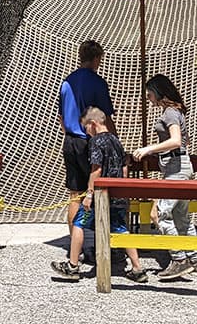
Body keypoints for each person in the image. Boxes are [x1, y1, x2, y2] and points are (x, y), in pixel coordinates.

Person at [51, 107, 147, 283]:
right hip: (118, 194)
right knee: (121, 228)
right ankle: (137, 268)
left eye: (86, 128)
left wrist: (89, 193)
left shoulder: (96, 142)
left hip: (101, 195)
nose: (86, 132)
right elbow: (125, 165)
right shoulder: (116, 141)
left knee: (79, 222)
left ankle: (72, 266)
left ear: (93, 124)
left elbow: (97, 169)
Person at [132, 74, 197, 280]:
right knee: (182, 217)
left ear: (157, 92)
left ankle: (179, 259)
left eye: (150, 94)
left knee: (159, 214)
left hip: (176, 168)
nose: (148, 98)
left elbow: (176, 141)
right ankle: (194, 260)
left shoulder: (170, 113)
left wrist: (149, 149)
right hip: (177, 166)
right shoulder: (175, 111)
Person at [59, 40, 116, 235]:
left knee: (74, 194)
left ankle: (75, 244)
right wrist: (114, 142)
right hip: (90, 141)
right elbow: (105, 116)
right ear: (97, 59)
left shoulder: (67, 82)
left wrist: (69, 133)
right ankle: (99, 241)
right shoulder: (97, 83)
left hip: (70, 140)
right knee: (98, 191)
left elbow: (61, 115)